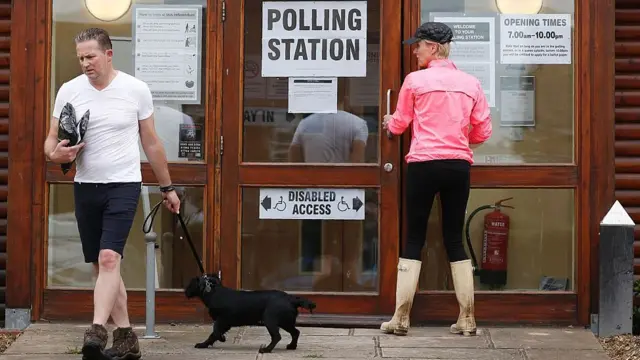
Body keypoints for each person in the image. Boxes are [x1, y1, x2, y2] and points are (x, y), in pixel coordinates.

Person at [43, 28, 181, 360]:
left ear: (108, 54)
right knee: (102, 265)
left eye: (90, 56)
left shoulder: (135, 89)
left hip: (123, 185)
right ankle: (126, 336)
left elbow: (151, 142)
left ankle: (95, 332)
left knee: (109, 259)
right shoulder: (69, 91)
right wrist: (54, 154)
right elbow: (50, 141)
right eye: (80, 58)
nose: (85, 63)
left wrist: (167, 187)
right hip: (85, 186)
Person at [380, 22, 492, 337]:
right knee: (454, 238)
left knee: (415, 236)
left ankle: (401, 318)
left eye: (418, 45)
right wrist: (456, 136)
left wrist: (390, 121)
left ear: (433, 47)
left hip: (424, 165)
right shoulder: (471, 83)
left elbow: (399, 124)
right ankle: (467, 318)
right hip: (458, 165)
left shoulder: (415, 81)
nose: (414, 50)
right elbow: (483, 131)